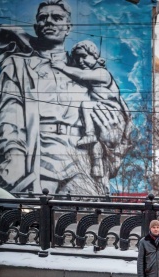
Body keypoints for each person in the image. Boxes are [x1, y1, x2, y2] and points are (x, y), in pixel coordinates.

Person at [0, 0, 131, 194]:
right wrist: (14, 155)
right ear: (36, 27)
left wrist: (112, 130)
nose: (49, 22)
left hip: (81, 161)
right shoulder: (17, 66)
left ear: (68, 27)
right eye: (43, 18)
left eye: (57, 18)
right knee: (36, 219)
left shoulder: (85, 67)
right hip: (39, 160)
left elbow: (114, 112)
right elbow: (9, 118)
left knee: (86, 220)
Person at [51, 39, 122, 176]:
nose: (80, 61)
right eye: (77, 58)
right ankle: (97, 165)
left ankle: (89, 134)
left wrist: (62, 67)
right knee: (97, 140)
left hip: (109, 108)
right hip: (100, 110)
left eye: (84, 56)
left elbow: (82, 75)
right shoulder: (93, 71)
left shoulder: (103, 73)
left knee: (86, 105)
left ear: (94, 55)